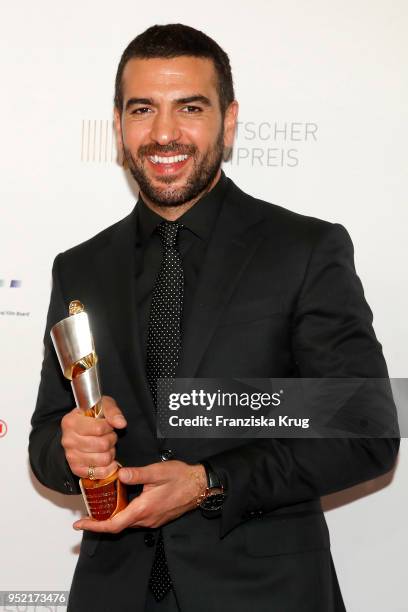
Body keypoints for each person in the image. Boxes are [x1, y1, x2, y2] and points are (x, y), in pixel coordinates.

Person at [29, 23, 399, 612]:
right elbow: (47, 435)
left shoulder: (303, 250)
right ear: (119, 125)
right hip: (114, 594)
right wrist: (70, 450)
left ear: (228, 122)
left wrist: (208, 482)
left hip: (265, 595)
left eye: (190, 108)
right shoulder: (79, 267)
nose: (164, 133)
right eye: (142, 109)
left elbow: (366, 429)